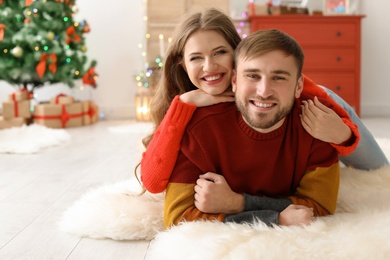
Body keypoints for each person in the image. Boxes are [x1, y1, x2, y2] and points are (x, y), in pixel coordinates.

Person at [138, 8, 388, 194]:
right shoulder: (184, 102)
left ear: (237, 53)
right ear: (183, 65)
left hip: (332, 115)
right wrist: (182, 106)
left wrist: (342, 135)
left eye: (220, 52)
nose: (209, 66)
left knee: (379, 175)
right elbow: (152, 182)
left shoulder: (286, 88)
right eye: (196, 58)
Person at [164, 28, 340, 228]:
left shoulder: (318, 123)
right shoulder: (198, 128)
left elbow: (320, 205)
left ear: (299, 86)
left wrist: (238, 203)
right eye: (252, 76)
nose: (264, 91)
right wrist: (274, 217)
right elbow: (177, 217)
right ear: (234, 81)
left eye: (279, 77)